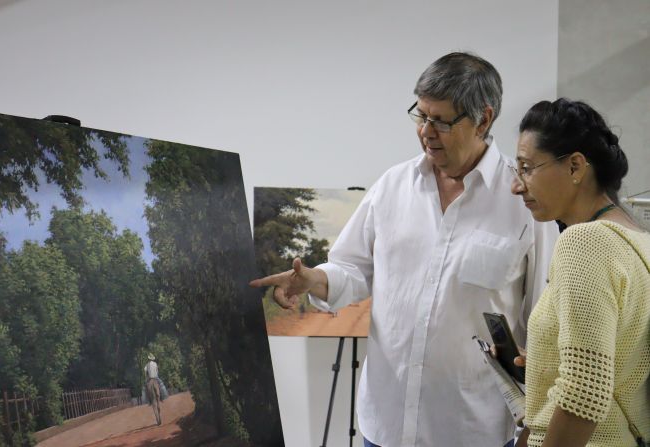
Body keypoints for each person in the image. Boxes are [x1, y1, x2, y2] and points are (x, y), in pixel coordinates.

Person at [250, 52, 558, 447]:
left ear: (483, 119)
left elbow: (544, 321)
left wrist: (536, 422)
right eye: (421, 115)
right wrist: (315, 279)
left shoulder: (525, 203)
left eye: (441, 120)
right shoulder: (392, 186)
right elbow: (353, 268)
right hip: (385, 423)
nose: (426, 132)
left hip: (471, 430)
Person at [509, 98, 650, 446]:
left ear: (575, 167)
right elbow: (621, 365)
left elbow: (583, 396)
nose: (517, 185)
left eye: (526, 168)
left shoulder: (584, 241)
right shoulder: (638, 238)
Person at [144, 353, 163, 426]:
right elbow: (157, 371)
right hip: (155, 379)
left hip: (150, 380)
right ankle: (161, 397)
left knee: (147, 391)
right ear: (153, 358)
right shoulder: (155, 364)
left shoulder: (146, 365)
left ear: (149, 359)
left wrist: (146, 378)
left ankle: (149, 401)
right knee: (161, 385)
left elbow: (145, 371)